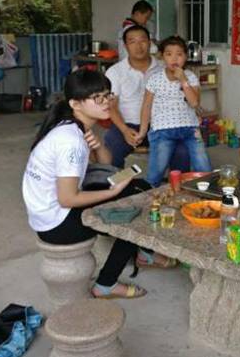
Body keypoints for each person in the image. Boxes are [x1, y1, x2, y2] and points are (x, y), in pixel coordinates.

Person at [22, 70, 147, 299]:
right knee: (137, 208)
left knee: (140, 187)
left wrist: (97, 146)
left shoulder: (71, 126)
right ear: (75, 104)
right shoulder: (70, 141)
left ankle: (145, 253)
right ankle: (107, 283)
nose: (106, 102)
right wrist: (113, 192)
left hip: (48, 214)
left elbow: (105, 165)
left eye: (107, 95)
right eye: (97, 97)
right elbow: (68, 199)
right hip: (58, 225)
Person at [104, 24, 190, 171]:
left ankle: (178, 183)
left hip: (162, 124)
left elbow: (183, 96)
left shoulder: (165, 67)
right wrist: (125, 130)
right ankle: (116, 183)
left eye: (143, 41)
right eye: (132, 42)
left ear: (150, 43)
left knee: (182, 150)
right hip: (127, 124)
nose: (139, 46)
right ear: (125, 46)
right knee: (112, 144)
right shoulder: (115, 72)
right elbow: (111, 106)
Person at [139, 36, 212, 186]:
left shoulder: (190, 77)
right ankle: (147, 192)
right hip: (162, 130)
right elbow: (146, 107)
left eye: (179, 54)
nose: (174, 58)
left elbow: (194, 103)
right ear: (162, 57)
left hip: (190, 129)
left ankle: (208, 193)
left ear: (185, 57)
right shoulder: (155, 79)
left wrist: (183, 80)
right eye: (169, 54)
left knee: (203, 166)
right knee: (156, 171)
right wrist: (142, 131)